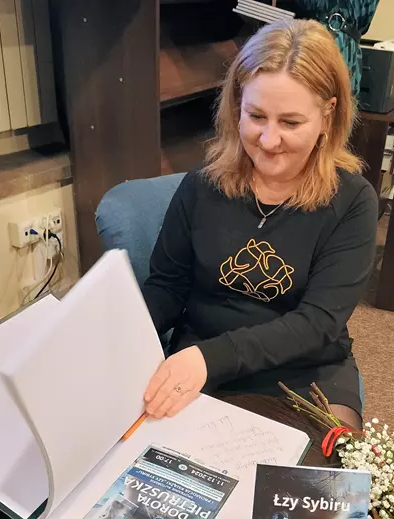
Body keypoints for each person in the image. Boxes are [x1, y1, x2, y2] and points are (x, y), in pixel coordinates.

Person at [142, 18, 377, 430]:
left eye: (290, 122)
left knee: (318, 470)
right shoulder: (201, 184)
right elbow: (167, 286)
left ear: (327, 116)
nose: (269, 141)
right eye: (256, 116)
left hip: (303, 371)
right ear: (237, 106)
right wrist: (116, 335)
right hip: (201, 363)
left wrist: (210, 357)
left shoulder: (353, 201)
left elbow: (318, 324)